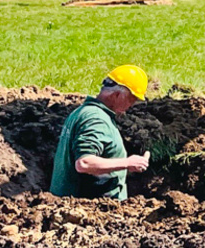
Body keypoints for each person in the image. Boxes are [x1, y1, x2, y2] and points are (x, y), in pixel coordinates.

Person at [49, 65, 153, 200]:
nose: (131, 105)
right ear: (117, 95)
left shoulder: (82, 112)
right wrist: (128, 163)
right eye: (132, 99)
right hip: (90, 212)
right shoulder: (96, 119)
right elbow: (84, 163)